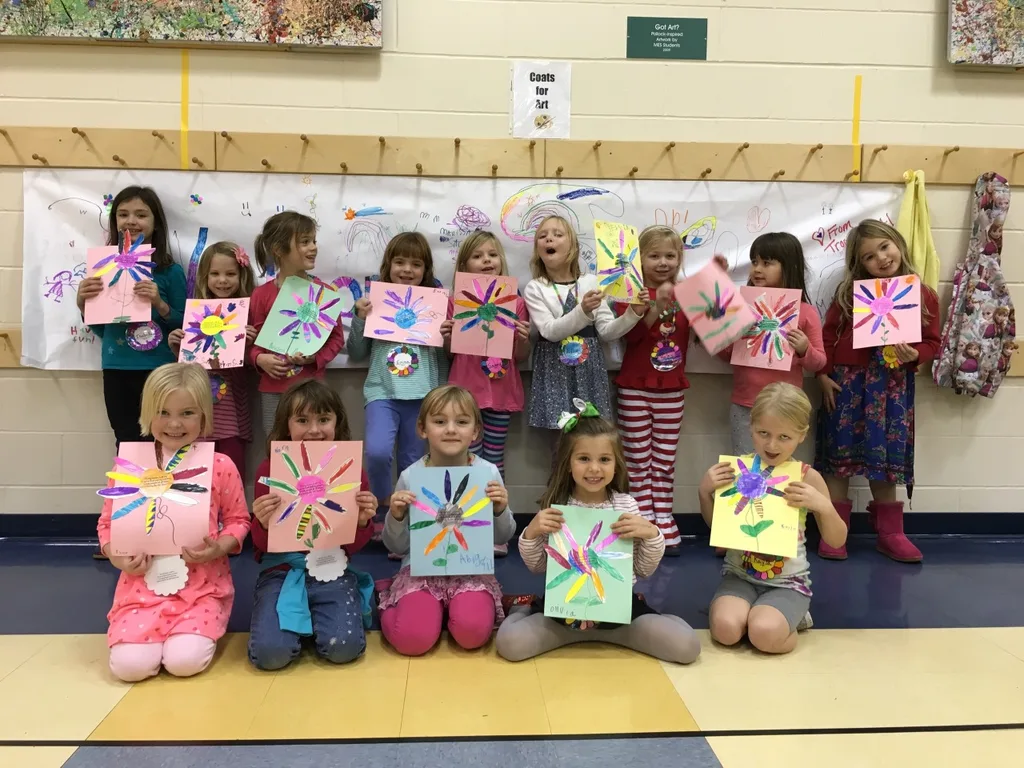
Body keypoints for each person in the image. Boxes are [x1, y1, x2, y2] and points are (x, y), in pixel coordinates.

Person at [496, 401, 701, 664]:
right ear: (568, 463)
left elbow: (643, 569)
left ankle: (655, 619)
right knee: (510, 645)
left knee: (687, 647)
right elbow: (538, 567)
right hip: (563, 615)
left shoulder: (626, 505)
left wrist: (652, 536)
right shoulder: (558, 506)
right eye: (584, 459)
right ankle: (523, 608)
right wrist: (531, 534)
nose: (594, 468)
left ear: (616, 464)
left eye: (604, 459)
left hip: (620, 614)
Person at [97, 363, 250, 681]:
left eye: (188, 413)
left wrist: (217, 548)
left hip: (201, 588)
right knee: (129, 668)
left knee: (185, 662)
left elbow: (238, 521)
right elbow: (107, 525)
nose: (175, 424)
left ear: (204, 416)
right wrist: (118, 556)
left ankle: (196, 627)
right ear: (147, 414)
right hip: (140, 589)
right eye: (163, 412)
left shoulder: (220, 465)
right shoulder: (129, 466)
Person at [816, 220, 940, 562]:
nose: (881, 259)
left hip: (891, 387)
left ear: (898, 243)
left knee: (885, 460)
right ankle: (833, 529)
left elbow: (933, 341)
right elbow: (826, 337)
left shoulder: (922, 294)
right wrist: (823, 374)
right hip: (847, 384)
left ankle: (890, 532)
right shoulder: (848, 294)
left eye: (885, 247)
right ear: (860, 264)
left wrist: (917, 355)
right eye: (870, 257)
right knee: (838, 459)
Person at [76, 186, 186, 559]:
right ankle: (126, 531)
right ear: (114, 221)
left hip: (159, 370)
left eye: (141, 214)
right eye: (123, 214)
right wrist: (83, 303)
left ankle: (169, 527)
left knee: (165, 444)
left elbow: (186, 323)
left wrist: (158, 301)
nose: (131, 221)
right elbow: (99, 329)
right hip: (117, 367)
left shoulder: (169, 271)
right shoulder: (103, 269)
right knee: (126, 445)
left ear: (156, 223)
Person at [699, 382, 845, 654]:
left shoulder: (808, 477)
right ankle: (756, 616)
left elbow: (836, 540)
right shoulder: (737, 469)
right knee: (725, 630)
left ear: (802, 435)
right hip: (739, 577)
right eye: (763, 433)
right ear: (750, 427)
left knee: (764, 635)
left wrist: (823, 506)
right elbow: (717, 528)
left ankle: (794, 618)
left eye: (784, 437)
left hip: (788, 584)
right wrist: (704, 492)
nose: (771, 444)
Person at [248, 380, 378, 670]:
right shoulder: (269, 471)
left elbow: (353, 546)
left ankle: (325, 613)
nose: (315, 430)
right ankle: (292, 621)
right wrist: (263, 523)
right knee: (271, 656)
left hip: (332, 567)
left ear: (337, 423)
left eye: (323, 419)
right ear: (286, 426)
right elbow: (258, 545)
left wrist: (362, 521)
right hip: (282, 572)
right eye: (303, 420)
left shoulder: (350, 471)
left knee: (343, 649)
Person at [379, 386, 515, 656]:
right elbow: (397, 545)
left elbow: (503, 537)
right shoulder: (411, 476)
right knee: (411, 640)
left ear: (475, 431)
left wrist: (500, 508)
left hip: (471, 571)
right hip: (420, 572)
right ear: (422, 429)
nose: (451, 429)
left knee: (472, 634)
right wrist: (395, 516)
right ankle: (388, 599)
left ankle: (448, 610)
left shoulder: (487, 473)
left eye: (461, 422)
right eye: (440, 422)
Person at [348, 233, 449, 538]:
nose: (407, 269)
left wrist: (446, 338)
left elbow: (444, 360)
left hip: (423, 396)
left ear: (426, 269)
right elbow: (355, 353)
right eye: (400, 261)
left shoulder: (435, 303)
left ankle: (408, 523)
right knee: (377, 452)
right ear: (388, 265)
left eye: (416, 264)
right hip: (382, 392)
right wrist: (359, 318)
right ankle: (381, 510)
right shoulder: (377, 302)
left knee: (412, 462)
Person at [442, 231, 530, 557]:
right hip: (465, 394)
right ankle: (465, 523)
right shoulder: (454, 301)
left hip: (500, 392)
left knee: (493, 462)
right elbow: (450, 353)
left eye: (492, 255)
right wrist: (448, 336)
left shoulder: (515, 302)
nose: (486, 261)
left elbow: (521, 355)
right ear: (464, 264)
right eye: (478, 256)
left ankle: (496, 528)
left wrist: (523, 338)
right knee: (466, 460)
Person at [523, 216, 644, 448]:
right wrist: (583, 310)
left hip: (589, 371)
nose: (549, 238)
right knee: (561, 447)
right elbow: (549, 331)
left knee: (591, 441)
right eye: (542, 235)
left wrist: (633, 313)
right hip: (554, 373)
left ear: (574, 246)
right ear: (538, 249)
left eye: (558, 234)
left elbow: (608, 332)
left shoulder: (592, 282)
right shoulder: (536, 287)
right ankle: (560, 485)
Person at [613, 225, 690, 555]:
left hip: (672, 389)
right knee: (637, 460)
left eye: (670, 256)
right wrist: (654, 306)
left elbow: (715, 329)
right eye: (654, 255)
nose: (663, 263)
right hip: (634, 387)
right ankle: (642, 522)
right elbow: (628, 337)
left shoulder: (688, 294)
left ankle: (664, 522)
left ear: (680, 259)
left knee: (664, 462)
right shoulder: (630, 293)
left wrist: (719, 288)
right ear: (639, 259)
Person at [248, 211, 345, 436]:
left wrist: (315, 358)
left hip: (312, 389)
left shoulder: (325, 293)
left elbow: (336, 338)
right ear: (279, 250)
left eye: (313, 241)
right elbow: (251, 343)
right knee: (275, 449)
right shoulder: (261, 295)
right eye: (304, 242)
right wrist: (259, 359)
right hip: (273, 390)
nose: (313, 247)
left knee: (314, 446)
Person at [168, 241, 257, 479]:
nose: (222, 280)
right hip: (198, 408)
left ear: (242, 275)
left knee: (232, 472)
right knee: (196, 473)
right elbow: (187, 364)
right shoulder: (195, 313)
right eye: (215, 274)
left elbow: (253, 364)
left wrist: (247, 345)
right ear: (204, 278)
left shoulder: (247, 314)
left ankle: (233, 516)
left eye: (230, 274)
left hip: (232, 409)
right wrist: (176, 345)